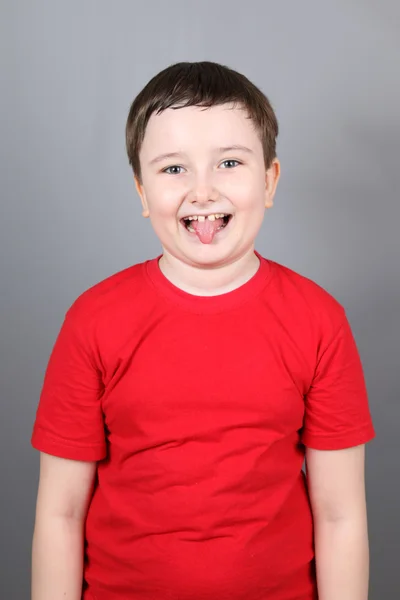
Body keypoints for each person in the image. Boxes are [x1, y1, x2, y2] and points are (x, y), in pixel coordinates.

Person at [31, 61, 375, 600]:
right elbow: (60, 511)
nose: (202, 190)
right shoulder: (92, 320)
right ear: (142, 192)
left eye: (229, 162)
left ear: (269, 181)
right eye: (173, 170)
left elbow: (339, 515)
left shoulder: (319, 321)